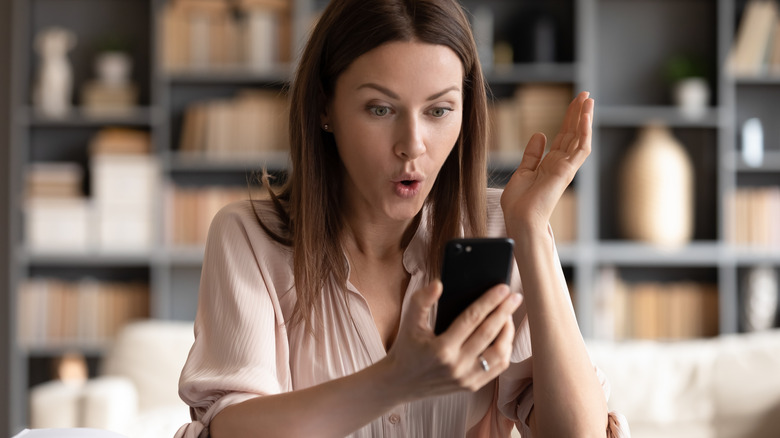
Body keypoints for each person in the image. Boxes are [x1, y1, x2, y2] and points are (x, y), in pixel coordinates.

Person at [175, 0, 630, 437]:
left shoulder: (501, 227)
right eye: (380, 109)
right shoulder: (249, 237)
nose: (412, 145)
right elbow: (233, 430)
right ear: (323, 107)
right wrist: (397, 380)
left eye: (438, 110)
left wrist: (531, 231)